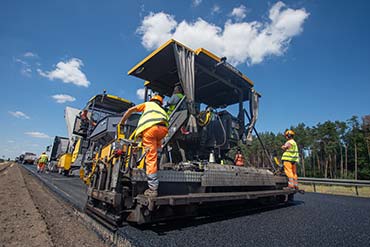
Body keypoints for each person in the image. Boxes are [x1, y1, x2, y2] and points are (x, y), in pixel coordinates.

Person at [119, 95, 169, 197]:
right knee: (156, 152)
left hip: (150, 130)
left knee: (151, 157)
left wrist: (122, 122)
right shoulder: (161, 110)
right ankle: (156, 169)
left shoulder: (148, 104)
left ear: (152, 100)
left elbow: (131, 110)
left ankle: (153, 188)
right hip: (163, 131)